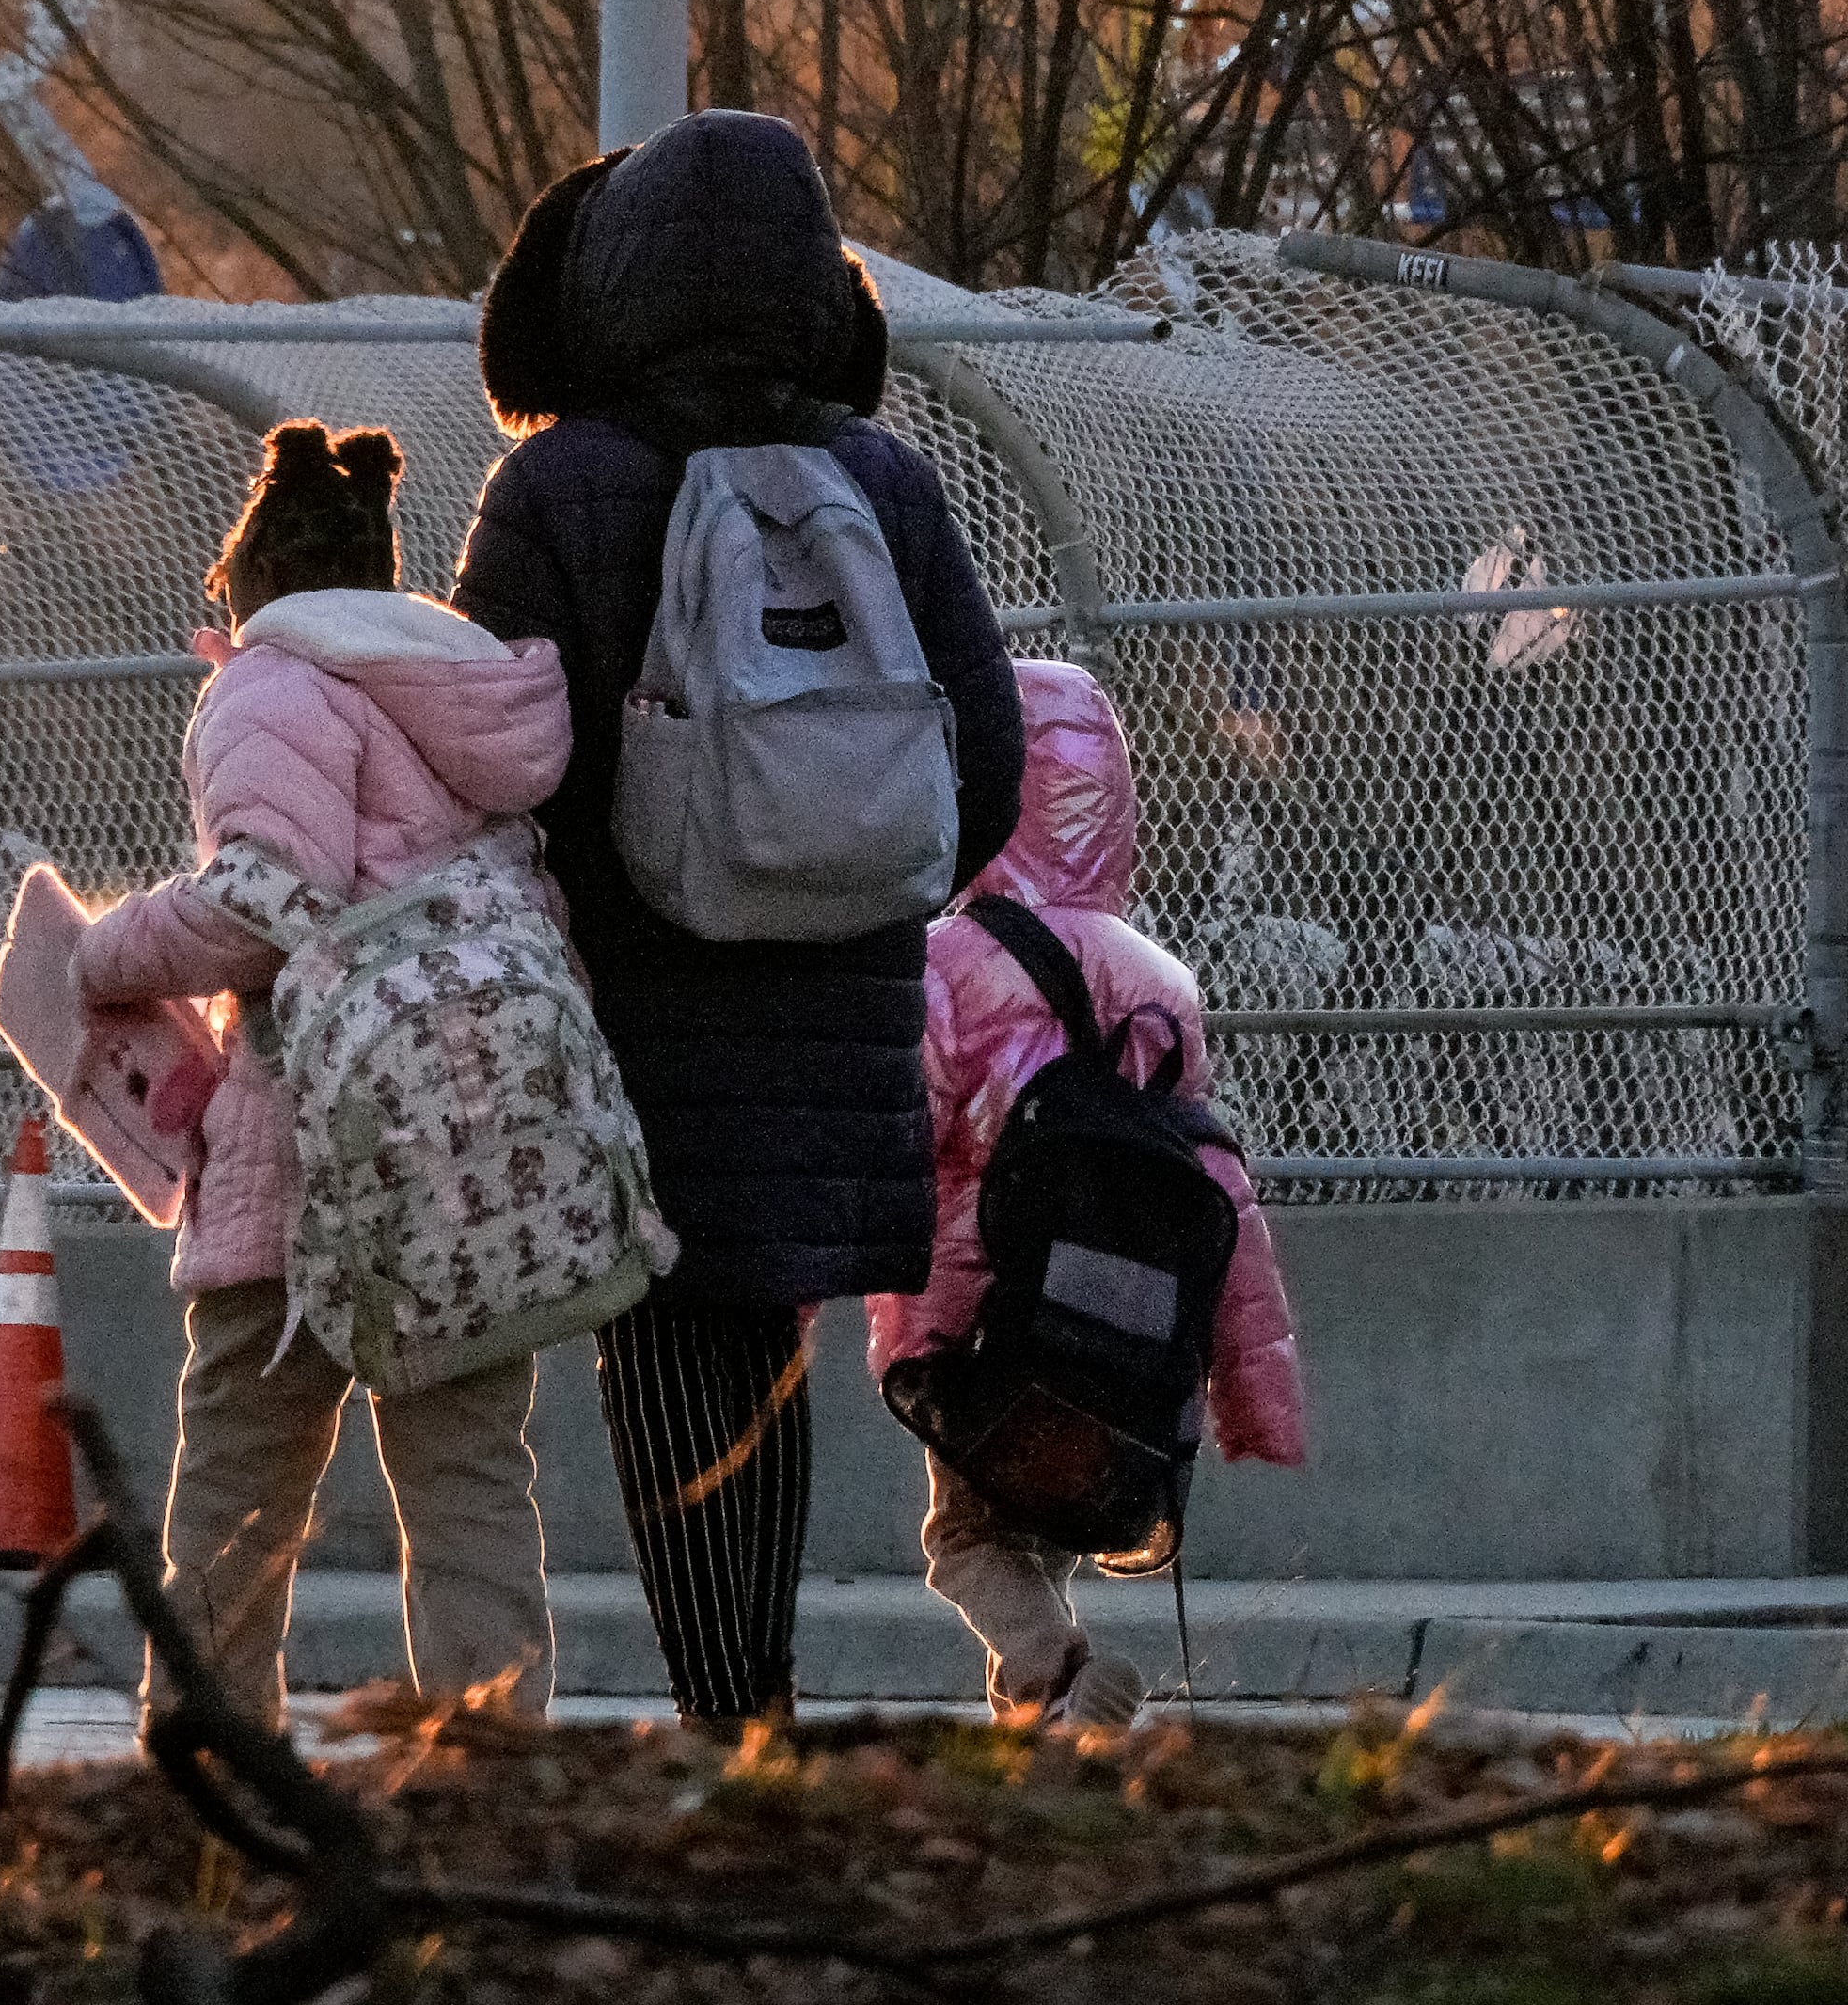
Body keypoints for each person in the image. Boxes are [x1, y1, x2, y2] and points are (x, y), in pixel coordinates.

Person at [450, 112, 1027, 1735]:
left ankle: (731, 1713)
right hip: (839, 1002)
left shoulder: (562, 484)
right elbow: (982, 765)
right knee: (760, 1330)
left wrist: (603, 886)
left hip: (632, 995)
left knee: (669, 1341)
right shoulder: (883, 482)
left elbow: (491, 754)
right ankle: (747, 1704)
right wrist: (847, 885)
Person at [71, 419, 576, 1727]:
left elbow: (263, 904)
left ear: (244, 581)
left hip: (312, 1133)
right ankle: (495, 1748)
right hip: (471, 1135)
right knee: (468, 1466)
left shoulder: (270, 685)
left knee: (243, 1465)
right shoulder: (457, 688)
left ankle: (212, 1740)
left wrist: (105, 949)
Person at [874, 659, 1308, 1728]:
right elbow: (1212, 1180)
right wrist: (1254, 1393)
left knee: (968, 1538)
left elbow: (899, 1140)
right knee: (1038, 1520)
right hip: (1118, 1325)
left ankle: (1062, 1674)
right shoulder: (1161, 979)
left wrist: (824, 1272)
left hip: (979, 1327)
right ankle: (1038, 1727)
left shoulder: (946, 963)